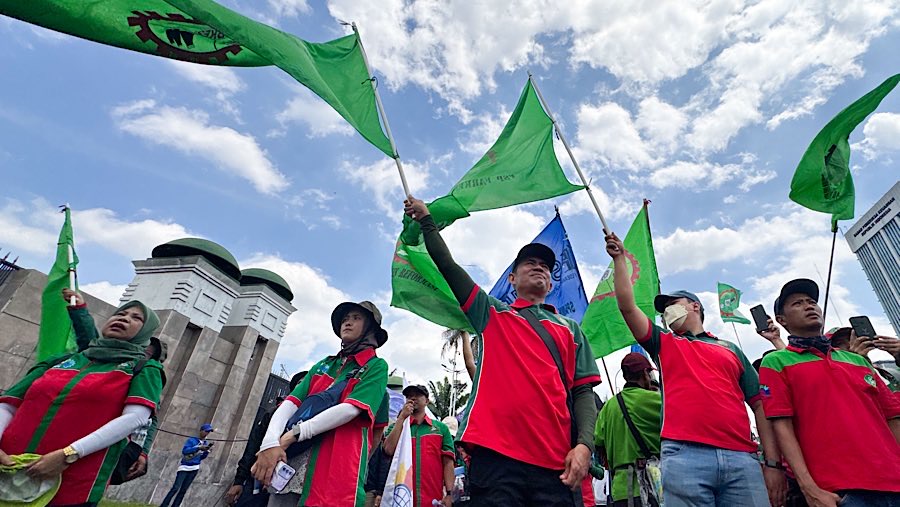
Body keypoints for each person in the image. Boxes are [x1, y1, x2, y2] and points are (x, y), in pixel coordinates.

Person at [405, 196, 601, 507]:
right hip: (497, 457)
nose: (539, 267)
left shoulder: (570, 329)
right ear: (512, 279)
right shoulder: (491, 313)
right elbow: (448, 267)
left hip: (555, 464)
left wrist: (584, 446)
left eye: (546, 267)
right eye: (528, 263)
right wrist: (428, 222)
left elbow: (583, 393)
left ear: (551, 283)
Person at [604, 232, 782, 507]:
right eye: (662, 311)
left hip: (742, 458)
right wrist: (619, 260)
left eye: (672, 305)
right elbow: (627, 307)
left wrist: (772, 463)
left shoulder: (730, 349)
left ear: (695, 306)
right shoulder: (664, 343)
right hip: (684, 457)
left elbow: (759, 405)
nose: (667, 313)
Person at [0, 299, 164, 506]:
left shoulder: (143, 369)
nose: (124, 318)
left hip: (72, 484)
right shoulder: (60, 360)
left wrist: (68, 455)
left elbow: (136, 418)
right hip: (7, 468)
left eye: (136, 318)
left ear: (145, 333)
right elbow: (9, 403)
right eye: (121, 313)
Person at [759, 279, 900, 507]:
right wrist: (809, 488)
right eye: (797, 303)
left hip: (894, 483)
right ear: (781, 320)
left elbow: (892, 417)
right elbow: (782, 426)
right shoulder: (776, 362)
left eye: (812, 301)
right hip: (838, 492)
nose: (809, 306)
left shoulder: (858, 361)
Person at [252, 300, 389, 507]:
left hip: (334, 468)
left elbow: (353, 411)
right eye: (345, 319)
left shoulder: (376, 367)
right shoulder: (324, 364)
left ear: (370, 327)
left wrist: (292, 435)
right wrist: (269, 444)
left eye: (356, 318)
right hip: (292, 463)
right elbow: (291, 402)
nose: (347, 323)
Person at [64, 288, 168, 485]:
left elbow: (145, 420)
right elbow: (89, 343)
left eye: (148, 353)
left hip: (97, 452)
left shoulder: (146, 372)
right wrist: (79, 310)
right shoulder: (93, 357)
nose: (124, 319)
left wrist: (142, 452)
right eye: (121, 313)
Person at [225, 372, 308, 507]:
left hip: (288, 488)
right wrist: (239, 481)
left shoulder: (315, 419)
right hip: (258, 481)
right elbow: (253, 447)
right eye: (300, 384)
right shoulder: (273, 414)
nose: (304, 388)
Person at [594, 353, 662, 507]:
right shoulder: (655, 400)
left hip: (620, 491)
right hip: (650, 486)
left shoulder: (608, 407)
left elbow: (597, 442)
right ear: (645, 373)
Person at [383, 384, 455, 507]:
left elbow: (448, 463)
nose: (413, 398)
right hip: (401, 498)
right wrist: (401, 418)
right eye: (409, 396)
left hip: (433, 499)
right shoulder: (397, 427)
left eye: (417, 395)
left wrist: (449, 494)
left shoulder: (441, 429)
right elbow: (388, 450)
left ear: (427, 401)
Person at [160, 423, 214, 507]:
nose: (207, 433)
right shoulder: (192, 440)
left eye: (208, 432)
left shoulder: (206, 443)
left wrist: (207, 452)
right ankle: (164, 505)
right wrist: (198, 447)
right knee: (175, 488)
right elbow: (185, 451)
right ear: (201, 431)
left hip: (194, 468)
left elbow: (201, 457)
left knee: (183, 490)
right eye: (206, 431)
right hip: (184, 468)